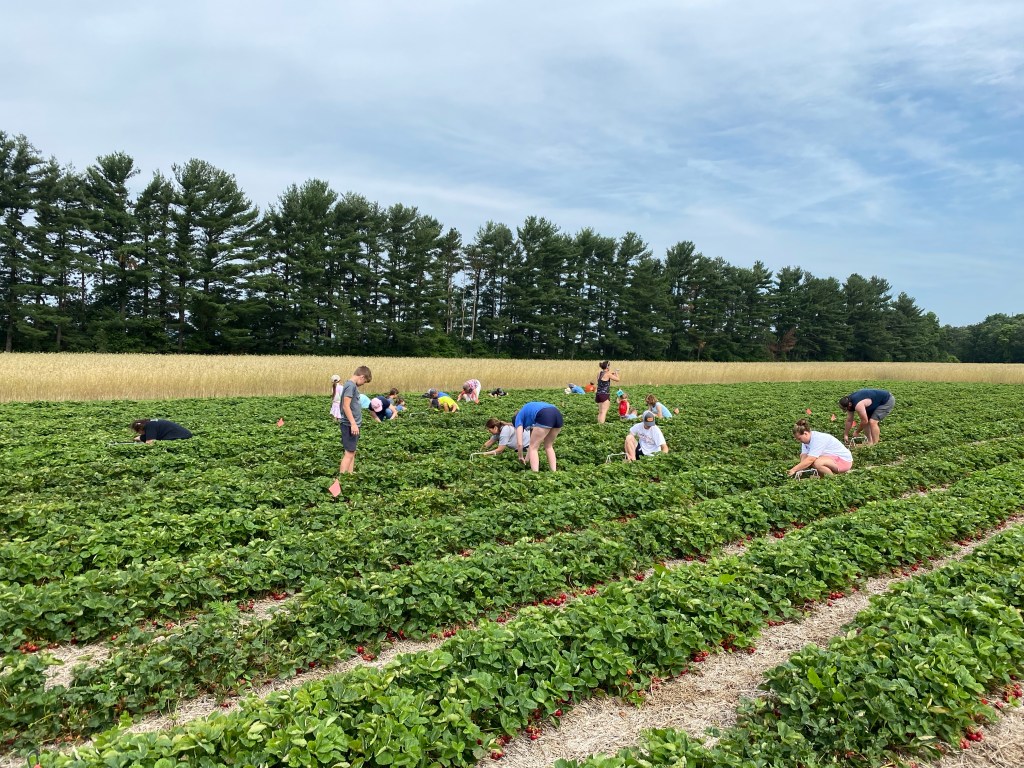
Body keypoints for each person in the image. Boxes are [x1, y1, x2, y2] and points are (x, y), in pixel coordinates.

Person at [788, 418, 853, 477]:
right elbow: (804, 455)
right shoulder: (805, 441)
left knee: (817, 463)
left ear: (805, 433)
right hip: (830, 459)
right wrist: (800, 469)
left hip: (843, 461)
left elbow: (810, 459)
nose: (799, 441)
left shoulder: (818, 439)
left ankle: (831, 480)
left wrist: (794, 469)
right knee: (811, 461)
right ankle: (822, 478)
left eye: (799, 438)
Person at [338, 365, 372, 474]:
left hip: (353, 424)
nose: (363, 384)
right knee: (349, 453)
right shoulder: (350, 386)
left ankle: (350, 474)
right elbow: (345, 406)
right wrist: (353, 423)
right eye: (364, 381)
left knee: (351, 452)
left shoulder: (350, 385)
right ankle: (342, 478)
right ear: (361, 376)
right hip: (349, 425)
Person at [513, 401, 563, 472]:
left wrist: (520, 456)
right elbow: (531, 442)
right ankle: (554, 472)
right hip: (557, 414)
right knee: (548, 446)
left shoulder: (518, 418)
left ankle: (535, 475)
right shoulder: (528, 414)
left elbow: (520, 444)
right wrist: (526, 460)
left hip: (545, 415)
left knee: (534, 448)